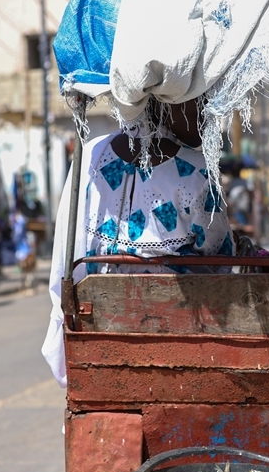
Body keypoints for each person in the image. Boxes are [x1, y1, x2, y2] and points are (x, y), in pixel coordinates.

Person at [41, 98, 234, 387]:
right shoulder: (198, 172)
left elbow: (66, 259)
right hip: (181, 341)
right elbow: (220, 257)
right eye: (199, 100)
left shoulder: (92, 154)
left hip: (98, 334)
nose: (207, 113)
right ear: (168, 103)